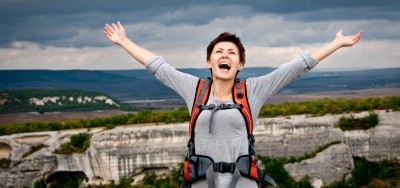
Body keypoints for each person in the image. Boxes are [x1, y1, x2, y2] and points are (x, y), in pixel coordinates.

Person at [104, 21, 362, 188]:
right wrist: (123, 41)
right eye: (219, 52)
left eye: (232, 53)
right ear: (209, 62)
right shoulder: (194, 89)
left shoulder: (252, 91)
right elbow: (158, 67)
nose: (225, 55)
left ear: (240, 65)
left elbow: (294, 68)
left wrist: (336, 44)